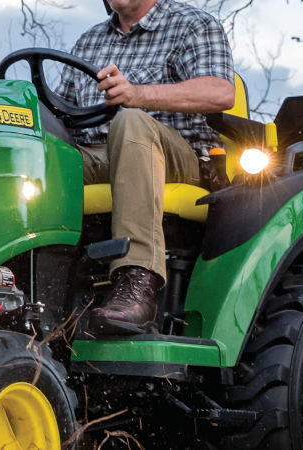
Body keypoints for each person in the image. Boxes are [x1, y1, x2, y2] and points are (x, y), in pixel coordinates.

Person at [55, 0, 234, 335]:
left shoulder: (192, 25)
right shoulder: (89, 41)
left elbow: (221, 92)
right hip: (102, 154)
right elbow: (61, 114)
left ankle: (138, 282)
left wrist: (137, 94)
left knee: (131, 122)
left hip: (178, 158)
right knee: (40, 156)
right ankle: (22, 285)